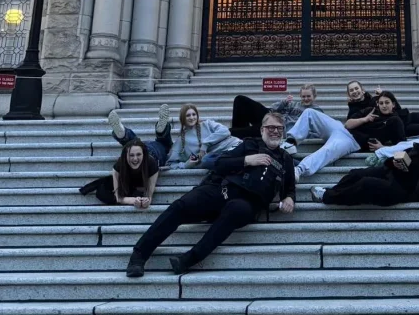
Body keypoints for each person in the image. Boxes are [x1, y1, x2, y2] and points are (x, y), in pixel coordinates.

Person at [125, 111, 295, 279]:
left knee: (236, 209)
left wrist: (289, 198)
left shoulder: (285, 159)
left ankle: (188, 260)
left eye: (279, 128)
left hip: (247, 203)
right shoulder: (249, 144)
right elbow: (220, 163)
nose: (275, 131)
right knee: (180, 206)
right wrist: (246, 160)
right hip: (222, 190)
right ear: (262, 129)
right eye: (271, 127)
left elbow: (290, 188)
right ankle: (139, 255)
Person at [310, 125, 419, 206]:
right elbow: (390, 161)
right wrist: (394, 162)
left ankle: (327, 196)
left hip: (401, 190)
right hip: (391, 173)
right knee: (355, 173)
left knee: (366, 183)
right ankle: (333, 191)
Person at [289, 91, 407, 182]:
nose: (384, 106)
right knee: (310, 112)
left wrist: (383, 148)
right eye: (381, 103)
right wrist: (365, 119)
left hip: (351, 141)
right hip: (341, 128)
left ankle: (299, 169)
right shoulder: (370, 110)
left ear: (393, 104)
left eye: (387, 103)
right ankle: (289, 143)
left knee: (328, 149)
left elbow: (403, 146)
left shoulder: (395, 121)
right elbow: (348, 124)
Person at [108, 103, 241, 170]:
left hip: (233, 147)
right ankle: (159, 129)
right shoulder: (181, 141)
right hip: (166, 150)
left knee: (155, 145)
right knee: (150, 147)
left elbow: (225, 131)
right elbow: (170, 163)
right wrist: (187, 164)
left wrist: (205, 144)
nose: (192, 117)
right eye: (188, 115)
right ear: (183, 118)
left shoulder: (208, 124)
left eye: (194, 114)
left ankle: (127, 135)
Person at [80, 139, 159, 208]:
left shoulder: (151, 163)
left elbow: (149, 195)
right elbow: (118, 197)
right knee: (131, 142)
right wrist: (133, 200)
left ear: (143, 155)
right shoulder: (120, 165)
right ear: (125, 156)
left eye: (138, 155)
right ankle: (123, 135)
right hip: (139, 147)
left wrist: (146, 201)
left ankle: (161, 134)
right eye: (131, 155)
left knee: (161, 141)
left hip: (155, 152)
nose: (135, 159)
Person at [230, 84, 322, 143]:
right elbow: (272, 108)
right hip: (270, 116)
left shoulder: (316, 111)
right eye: (303, 96)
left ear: (314, 96)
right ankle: (238, 139)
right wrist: (284, 102)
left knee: (233, 132)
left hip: (276, 128)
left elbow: (318, 132)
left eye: (308, 96)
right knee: (240, 100)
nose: (306, 99)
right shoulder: (294, 104)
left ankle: (236, 137)